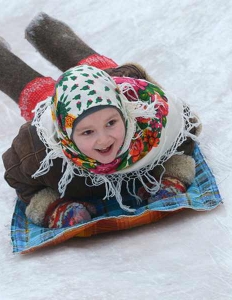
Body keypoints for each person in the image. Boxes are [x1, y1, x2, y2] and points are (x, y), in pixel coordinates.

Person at [1, 13, 201, 229]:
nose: (104, 140)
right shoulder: (40, 150)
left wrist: (172, 174)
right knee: (38, 93)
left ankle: (45, 29)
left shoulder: (150, 124)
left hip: (108, 85)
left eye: (111, 124)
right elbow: (18, 176)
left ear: (125, 115)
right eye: (88, 132)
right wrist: (50, 205)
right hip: (59, 109)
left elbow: (185, 127)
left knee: (95, 66)